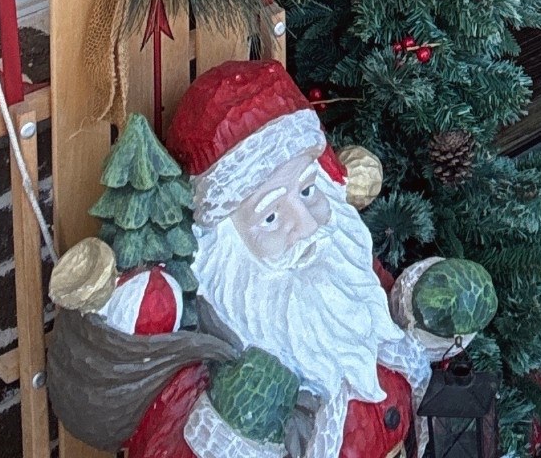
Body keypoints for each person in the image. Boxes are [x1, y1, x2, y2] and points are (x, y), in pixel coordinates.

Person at [46, 61, 494, 458]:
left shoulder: (337, 271)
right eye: (271, 216)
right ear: (226, 246)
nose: (307, 224)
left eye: (308, 190)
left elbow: (388, 329)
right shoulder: (210, 345)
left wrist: (426, 312)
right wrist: (231, 429)